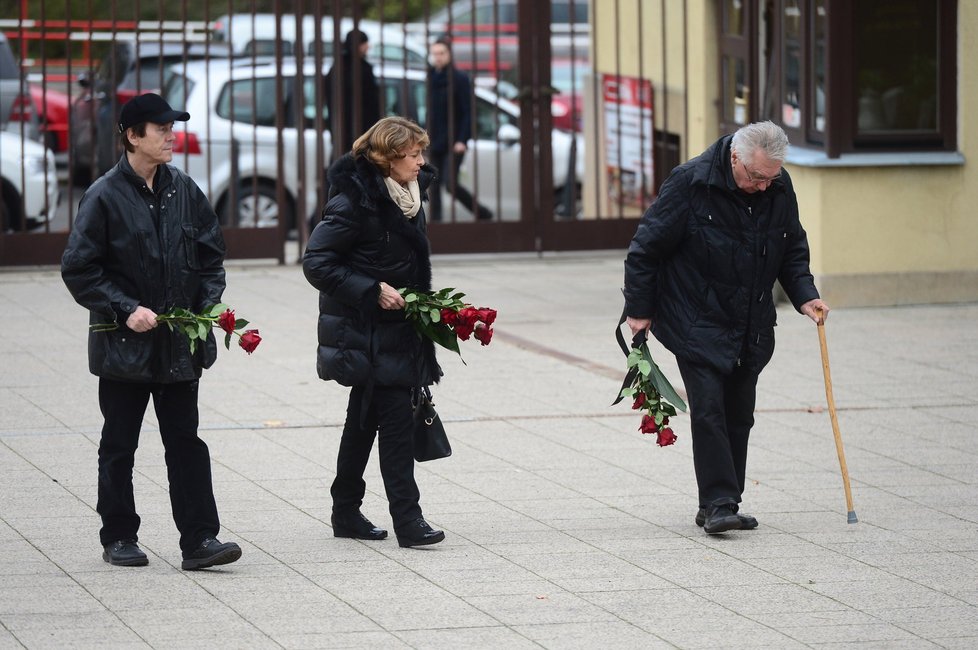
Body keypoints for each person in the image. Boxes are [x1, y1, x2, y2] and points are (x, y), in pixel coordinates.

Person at [61, 93, 242, 570]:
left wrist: (205, 311)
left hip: (178, 346)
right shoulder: (103, 195)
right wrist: (124, 309)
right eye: (160, 129)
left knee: (186, 442)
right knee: (120, 443)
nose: (170, 135)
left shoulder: (185, 190)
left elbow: (210, 260)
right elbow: (79, 269)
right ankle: (119, 535)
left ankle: (200, 540)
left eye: (172, 127)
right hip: (125, 347)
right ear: (132, 135)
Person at [623, 120, 830, 535]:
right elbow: (646, 248)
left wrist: (805, 294)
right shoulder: (691, 183)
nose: (764, 186)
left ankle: (724, 501)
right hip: (694, 316)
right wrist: (640, 309)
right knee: (711, 410)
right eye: (757, 177)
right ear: (735, 157)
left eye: (771, 178)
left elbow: (791, 245)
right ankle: (718, 502)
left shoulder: (777, 185)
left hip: (750, 320)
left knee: (740, 414)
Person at [302, 116, 446, 548]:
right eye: (414, 154)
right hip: (366, 331)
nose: (422, 162)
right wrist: (371, 290)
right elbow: (317, 262)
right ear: (388, 159)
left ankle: (345, 510)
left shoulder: (407, 196)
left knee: (362, 423)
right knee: (396, 424)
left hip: (397, 331)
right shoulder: (355, 203)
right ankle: (408, 519)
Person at [425, 36, 492, 222]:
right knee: (434, 183)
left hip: (455, 140)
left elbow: (468, 111)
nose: (438, 57)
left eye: (441, 53)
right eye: (435, 54)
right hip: (435, 138)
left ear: (449, 54)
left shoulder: (460, 78)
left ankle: (483, 214)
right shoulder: (431, 76)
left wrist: (463, 139)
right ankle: (436, 222)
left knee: (450, 183)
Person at [324, 28, 381, 159]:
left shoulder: (336, 68)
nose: (368, 47)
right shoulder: (362, 69)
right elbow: (371, 103)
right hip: (362, 132)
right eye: (365, 43)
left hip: (340, 132)